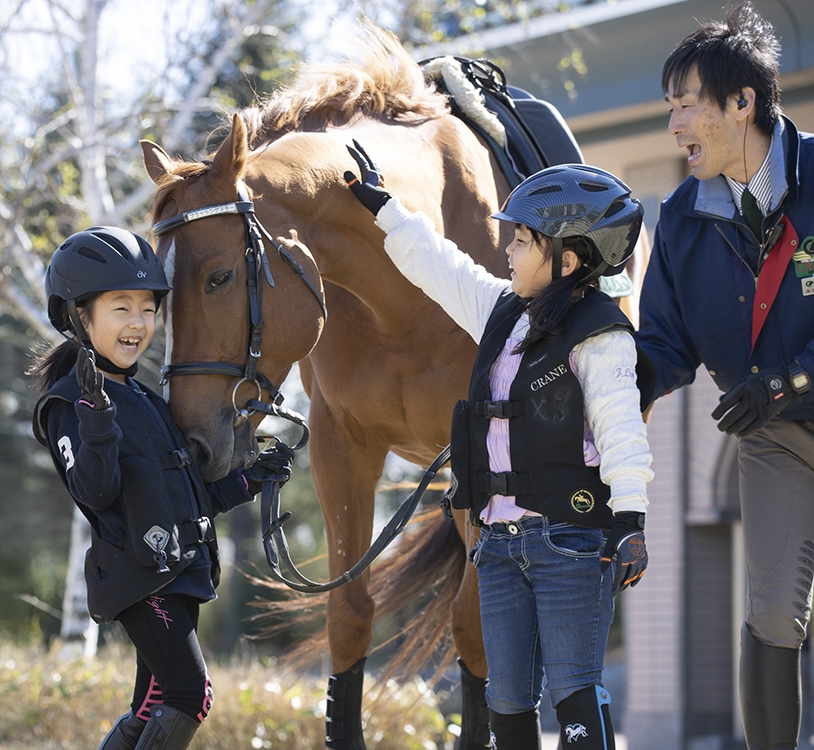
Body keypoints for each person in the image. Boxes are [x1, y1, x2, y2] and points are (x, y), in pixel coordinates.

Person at [344, 144, 653, 749]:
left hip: (571, 543)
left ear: (566, 259)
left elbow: (622, 432)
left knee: (574, 696)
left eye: (521, 240)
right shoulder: (502, 312)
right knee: (507, 704)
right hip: (498, 545)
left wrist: (630, 520)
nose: (507, 249)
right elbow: (440, 266)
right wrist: (385, 208)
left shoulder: (601, 334)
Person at [635, 3, 814, 747]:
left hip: (779, 403)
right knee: (772, 612)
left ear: (743, 104)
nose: (674, 127)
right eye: (670, 108)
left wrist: (786, 381)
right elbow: (661, 354)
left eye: (687, 107)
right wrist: (581, 401)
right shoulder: (679, 220)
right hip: (777, 443)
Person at [30, 226, 265, 750]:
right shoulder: (70, 404)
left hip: (176, 567)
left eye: (148, 309)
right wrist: (96, 422)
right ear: (78, 316)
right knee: (189, 695)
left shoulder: (143, 396)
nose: (139, 323)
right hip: (142, 576)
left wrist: (250, 480)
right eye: (121, 308)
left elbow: (183, 498)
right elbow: (95, 491)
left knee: (153, 702)